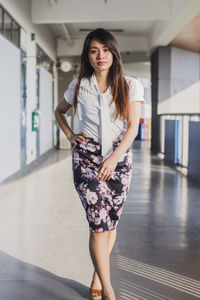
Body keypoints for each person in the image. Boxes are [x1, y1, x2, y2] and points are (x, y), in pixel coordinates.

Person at [55, 28, 144, 300]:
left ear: (114, 53)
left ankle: (97, 274)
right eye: (94, 51)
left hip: (119, 159)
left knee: (111, 223)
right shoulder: (79, 85)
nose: (100, 56)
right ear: (88, 56)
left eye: (105, 50)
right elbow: (59, 112)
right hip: (87, 159)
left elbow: (131, 128)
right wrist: (70, 135)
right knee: (98, 223)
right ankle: (108, 289)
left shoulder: (131, 85)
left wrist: (115, 158)